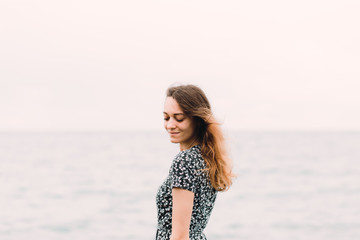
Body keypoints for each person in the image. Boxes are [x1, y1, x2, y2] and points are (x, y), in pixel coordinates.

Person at [156, 84, 234, 240]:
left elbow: (180, 237)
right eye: (166, 118)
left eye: (179, 118)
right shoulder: (205, 157)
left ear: (197, 120)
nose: (170, 125)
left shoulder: (184, 161)